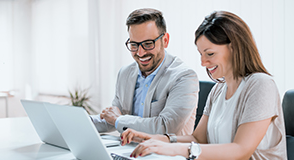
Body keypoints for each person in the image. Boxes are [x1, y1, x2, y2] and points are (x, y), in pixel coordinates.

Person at [121, 11, 287, 159]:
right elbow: (198, 139)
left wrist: (174, 149)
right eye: (201, 54)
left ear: (235, 48)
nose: (202, 62)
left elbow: (240, 151)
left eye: (210, 54)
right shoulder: (218, 89)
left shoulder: (261, 85)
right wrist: (157, 139)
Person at [90, 8, 199, 135]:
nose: (140, 53)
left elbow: (166, 127)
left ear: (165, 40)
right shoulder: (125, 73)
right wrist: (80, 122)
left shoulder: (184, 77)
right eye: (134, 45)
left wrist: (118, 119)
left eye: (148, 44)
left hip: (165, 153)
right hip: (129, 151)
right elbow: (112, 118)